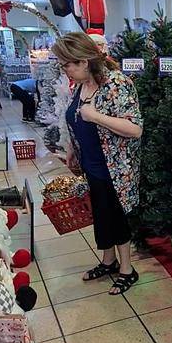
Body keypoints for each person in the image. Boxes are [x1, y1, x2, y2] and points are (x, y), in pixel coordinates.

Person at [52, 32, 143, 294]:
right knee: (101, 215)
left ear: (83, 61)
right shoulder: (82, 84)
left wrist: (95, 117)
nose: (65, 69)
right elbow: (76, 117)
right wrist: (71, 146)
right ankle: (109, 260)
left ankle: (127, 269)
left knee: (116, 216)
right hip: (91, 162)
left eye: (68, 64)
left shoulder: (116, 83)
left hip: (115, 167)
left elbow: (134, 128)